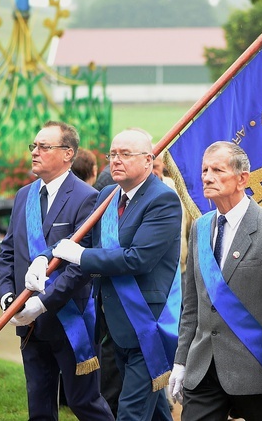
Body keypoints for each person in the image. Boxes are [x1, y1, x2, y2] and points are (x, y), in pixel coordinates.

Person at [31, 128, 182, 421]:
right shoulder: (108, 195)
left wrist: (83, 257)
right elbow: (80, 239)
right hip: (114, 324)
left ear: (149, 160)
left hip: (148, 325)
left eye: (125, 154)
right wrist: (44, 257)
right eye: (112, 154)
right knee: (155, 414)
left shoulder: (163, 200)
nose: (116, 160)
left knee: (130, 414)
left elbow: (139, 258)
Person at [168, 141, 262, 421]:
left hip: (256, 370)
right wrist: (181, 361)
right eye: (204, 169)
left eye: (217, 170)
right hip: (203, 369)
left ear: (243, 178)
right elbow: (192, 307)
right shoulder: (200, 227)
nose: (207, 176)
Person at [0, 121, 114, 421]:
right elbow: (9, 252)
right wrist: (8, 297)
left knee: (84, 403)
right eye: (33, 146)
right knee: (39, 409)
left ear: (67, 153)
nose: (35, 152)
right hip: (30, 325)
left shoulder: (86, 197)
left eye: (43, 147)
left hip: (70, 321)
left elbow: (81, 266)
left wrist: (41, 303)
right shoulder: (24, 196)